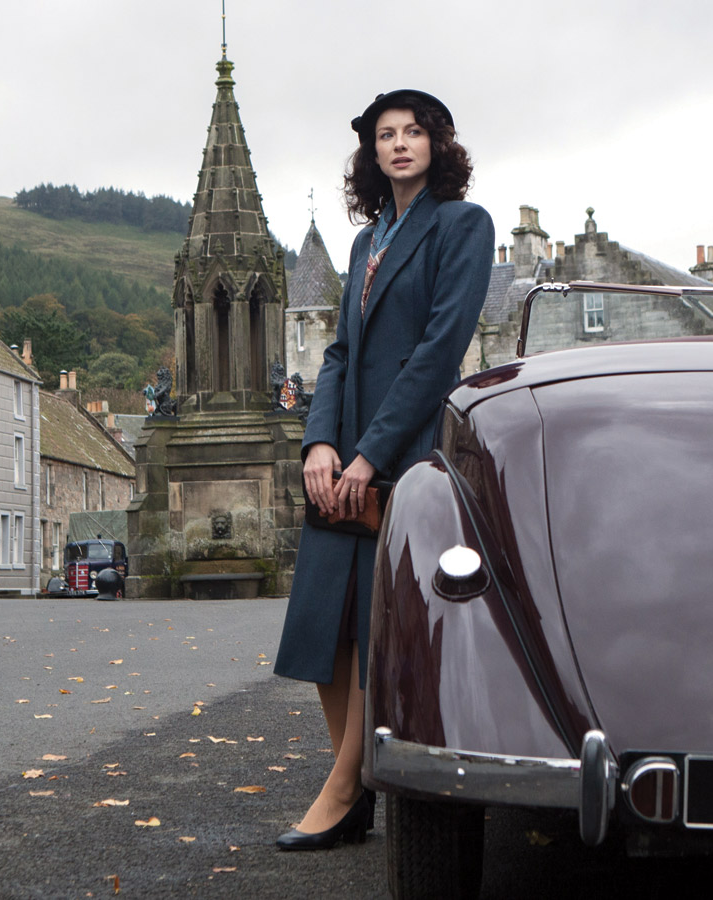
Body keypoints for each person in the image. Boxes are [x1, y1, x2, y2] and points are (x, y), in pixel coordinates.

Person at [273, 89, 494, 851]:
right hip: (347, 453)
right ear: (371, 154)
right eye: (385, 136)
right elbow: (335, 355)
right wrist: (321, 444)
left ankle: (342, 791)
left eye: (414, 133)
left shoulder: (463, 226)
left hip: (407, 456)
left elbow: (439, 350)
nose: (399, 145)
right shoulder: (366, 243)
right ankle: (356, 779)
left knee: (377, 625)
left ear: (437, 145)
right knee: (325, 624)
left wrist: (370, 455)